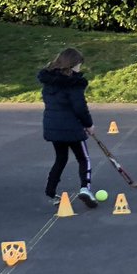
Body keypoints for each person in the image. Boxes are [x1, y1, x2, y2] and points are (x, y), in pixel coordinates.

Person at [38, 48, 98, 208]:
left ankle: (50, 191)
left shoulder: (49, 81)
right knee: (83, 158)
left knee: (61, 158)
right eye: (79, 64)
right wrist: (89, 124)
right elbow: (80, 107)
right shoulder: (74, 83)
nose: (80, 68)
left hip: (53, 126)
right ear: (73, 64)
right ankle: (85, 188)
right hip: (72, 128)